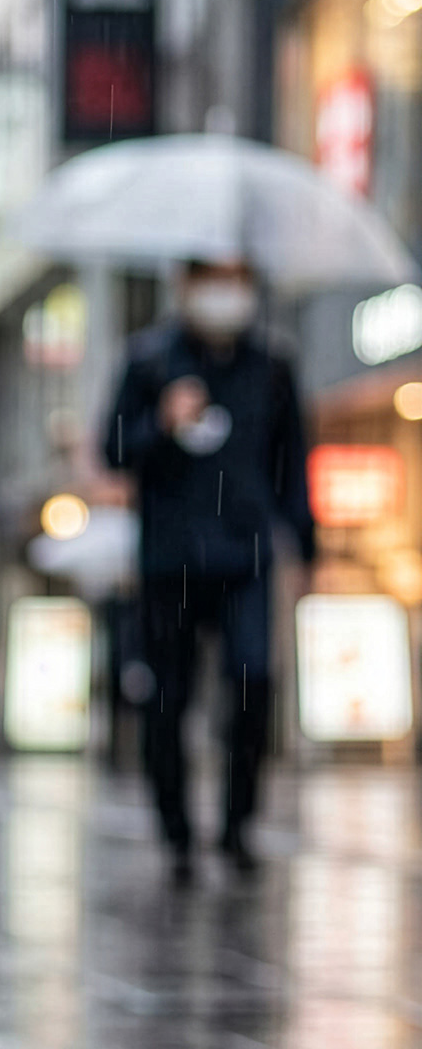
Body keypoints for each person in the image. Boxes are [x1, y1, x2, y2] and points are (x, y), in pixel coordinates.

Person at [104, 259, 315, 881]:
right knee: (167, 698)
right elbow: (113, 448)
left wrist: (305, 550)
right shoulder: (149, 361)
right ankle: (176, 832)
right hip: (170, 559)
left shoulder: (271, 366)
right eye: (211, 277)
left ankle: (237, 825)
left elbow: (293, 466)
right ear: (185, 284)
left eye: (237, 277)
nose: (226, 292)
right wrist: (160, 424)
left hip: (246, 554)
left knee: (253, 680)